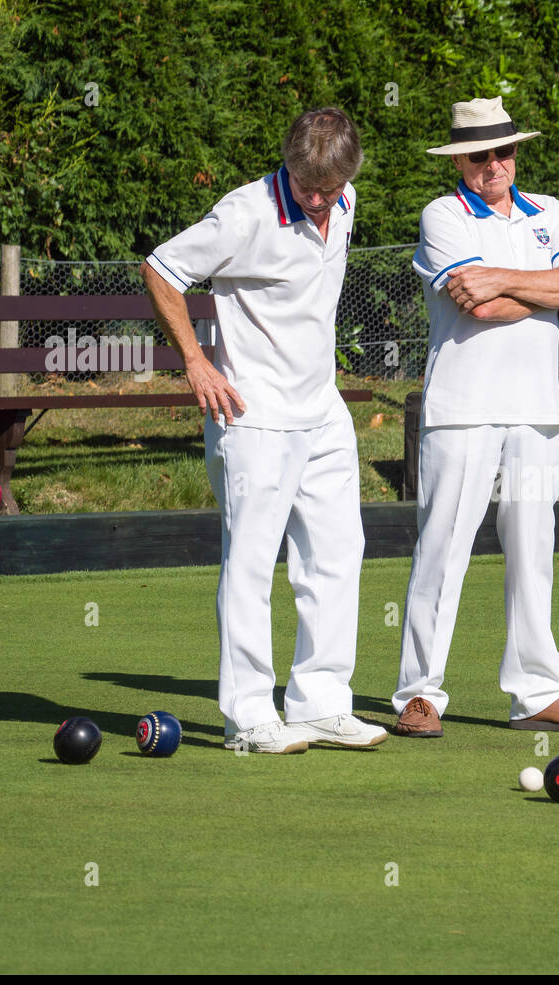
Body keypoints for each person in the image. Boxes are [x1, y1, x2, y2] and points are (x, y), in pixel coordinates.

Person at [141, 108, 386, 754]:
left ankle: (321, 703)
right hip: (252, 415)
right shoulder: (246, 214)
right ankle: (248, 716)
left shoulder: (347, 199)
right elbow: (162, 268)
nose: (317, 199)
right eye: (306, 185)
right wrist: (195, 361)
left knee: (338, 553)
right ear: (290, 165)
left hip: (322, 408)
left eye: (328, 190)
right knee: (251, 563)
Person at [392, 96, 559, 739]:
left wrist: (505, 282)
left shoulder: (553, 211)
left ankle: (537, 691)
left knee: (532, 550)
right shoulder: (442, 215)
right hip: (461, 408)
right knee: (442, 549)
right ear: (460, 159)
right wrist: (545, 289)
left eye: (504, 151)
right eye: (480, 154)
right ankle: (419, 693)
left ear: (516, 152)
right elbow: (476, 306)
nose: (494, 164)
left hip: (538, 408)